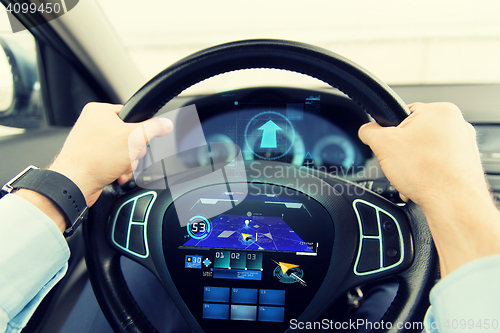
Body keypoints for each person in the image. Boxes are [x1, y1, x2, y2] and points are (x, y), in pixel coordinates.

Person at [0, 101, 499, 332]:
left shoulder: (184, 185)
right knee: (390, 296)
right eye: (213, 156)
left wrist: (69, 178)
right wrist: (452, 193)